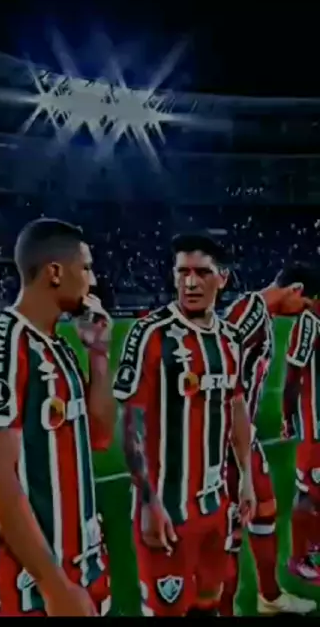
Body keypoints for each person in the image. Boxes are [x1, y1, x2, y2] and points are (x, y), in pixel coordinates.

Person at [0, 218, 116, 617]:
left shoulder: (60, 348)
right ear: (55, 272)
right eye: (86, 268)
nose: (93, 280)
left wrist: (99, 354)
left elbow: (100, 436)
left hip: (88, 567)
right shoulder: (2, 338)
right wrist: (54, 586)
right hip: (35, 589)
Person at [113, 233, 255, 617]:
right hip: (167, 510)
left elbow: (236, 408)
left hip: (216, 506)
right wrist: (148, 501)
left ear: (222, 278)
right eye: (182, 272)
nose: (190, 282)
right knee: (169, 611)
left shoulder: (231, 340)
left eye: (202, 273)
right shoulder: (150, 334)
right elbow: (131, 423)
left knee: (209, 602)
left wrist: (245, 476)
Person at [220, 264, 317, 616]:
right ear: (295, 289)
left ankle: (270, 596)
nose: (302, 311)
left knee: (265, 512)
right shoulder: (249, 313)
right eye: (304, 303)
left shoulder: (262, 315)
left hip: (244, 437)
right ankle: (224, 608)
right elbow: (220, 368)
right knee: (229, 534)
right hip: (224, 441)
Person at [283, 272, 320, 587]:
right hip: (317, 427)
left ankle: (314, 541)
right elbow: (293, 372)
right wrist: (287, 415)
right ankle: (297, 559)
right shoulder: (310, 320)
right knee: (309, 493)